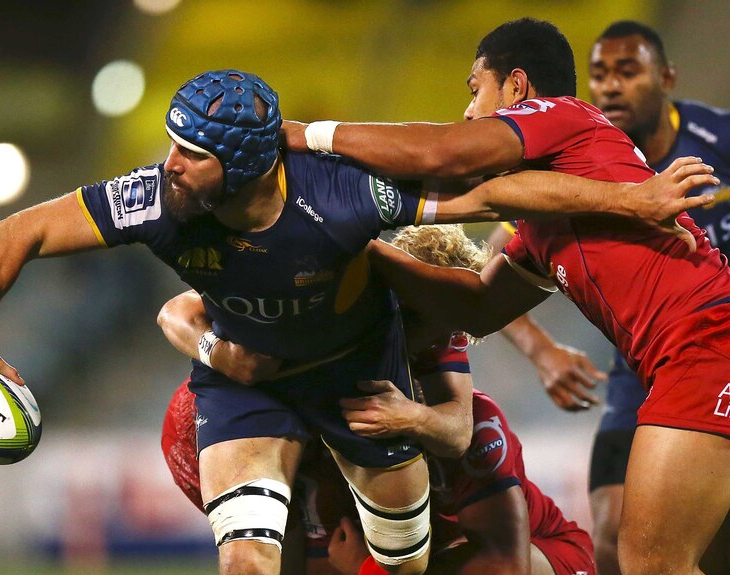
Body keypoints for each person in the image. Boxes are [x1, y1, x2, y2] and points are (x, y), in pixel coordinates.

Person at [0, 68, 709, 575]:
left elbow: (486, 200)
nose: (168, 166)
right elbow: (14, 232)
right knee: (247, 563)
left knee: (399, 562)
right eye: (171, 146)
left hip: (360, 385)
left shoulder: (341, 197)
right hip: (250, 395)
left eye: (189, 153)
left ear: (240, 167)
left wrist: (627, 198)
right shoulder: (156, 202)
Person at [283, 17, 730, 575]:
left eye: (475, 90)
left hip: (706, 342)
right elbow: (478, 306)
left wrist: (307, 135)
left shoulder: (566, 114)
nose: (470, 111)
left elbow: (443, 153)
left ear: (516, 89)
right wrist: (368, 252)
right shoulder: (544, 224)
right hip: (688, 352)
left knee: (651, 561)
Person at [159, 224, 596, 575]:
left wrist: (412, 418)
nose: (452, 337)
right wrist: (217, 351)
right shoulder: (343, 308)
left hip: (542, 555)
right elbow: (176, 310)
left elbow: (502, 562)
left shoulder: (444, 353)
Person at [484, 20, 730, 574]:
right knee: (617, 532)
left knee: (666, 549)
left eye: (627, 71)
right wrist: (540, 349)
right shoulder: (573, 157)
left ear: (666, 77)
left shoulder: (717, 139)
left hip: (706, 337)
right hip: (640, 364)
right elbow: (498, 258)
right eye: (599, 75)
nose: (611, 86)